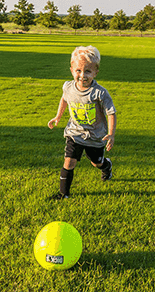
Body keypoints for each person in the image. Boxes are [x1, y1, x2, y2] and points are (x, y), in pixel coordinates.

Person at [47, 45, 116, 199]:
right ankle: (63, 194)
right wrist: (58, 116)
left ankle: (106, 166)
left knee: (96, 163)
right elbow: (64, 98)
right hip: (75, 133)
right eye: (78, 70)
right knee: (69, 162)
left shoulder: (99, 93)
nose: (82, 75)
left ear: (96, 72)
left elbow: (111, 112)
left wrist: (111, 134)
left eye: (88, 71)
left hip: (95, 136)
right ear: (71, 69)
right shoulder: (68, 86)